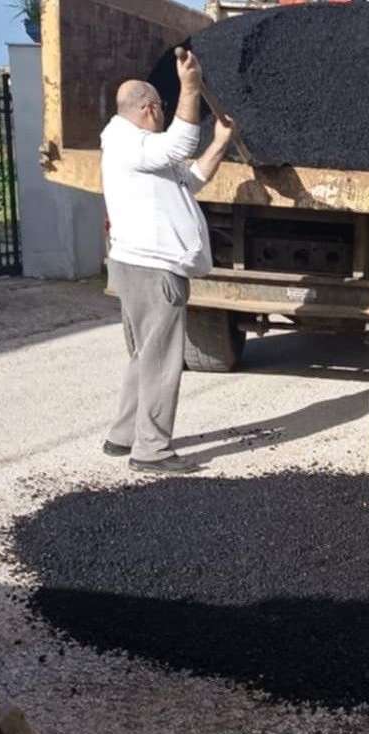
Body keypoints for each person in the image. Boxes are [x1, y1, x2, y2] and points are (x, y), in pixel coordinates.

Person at [99, 50, 237, 474]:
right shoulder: (131, 143)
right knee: (161, 360)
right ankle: (151, 451)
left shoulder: (138, 149)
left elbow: (189, 181)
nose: (163, 114)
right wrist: (190, 86)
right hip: (153, 268)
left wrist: (220, 142)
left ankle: (123, 435)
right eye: (162, 107)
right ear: (150, 109)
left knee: (145, 354)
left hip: (136, 264)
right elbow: (180, 142)